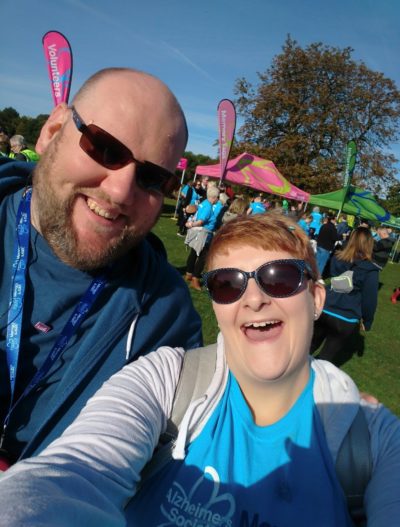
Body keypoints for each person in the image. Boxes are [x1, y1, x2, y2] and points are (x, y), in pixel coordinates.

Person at [0, 212, 398, 526]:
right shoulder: (167, 380)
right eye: (228, 284)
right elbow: (74, 473)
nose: (254, 299)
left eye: (280, 278)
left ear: (315, 298)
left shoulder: (373, 440)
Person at [0, 67, 203, 467]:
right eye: (107, 149)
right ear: (53, 130)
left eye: (150, 178)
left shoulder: (166, 318)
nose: (120, 190)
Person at [311, 227, 380, 365]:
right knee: (325, 359)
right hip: (345, 316)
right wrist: (367, 321)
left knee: (307, 349)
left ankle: (291, 379)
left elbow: (329, 275)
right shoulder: (370, 269)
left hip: (325, 307)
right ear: (369, 243)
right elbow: (370, 298)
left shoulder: (338, 258)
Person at [184, 185, 220, 290]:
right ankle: (195, 279)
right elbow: (200, 221)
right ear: (213, 197)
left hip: (200, 233)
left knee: (194, 252)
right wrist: (190, 224)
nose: (217, 199)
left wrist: (190, 223)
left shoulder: (203, 203)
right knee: (203, 257)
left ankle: (189, 274)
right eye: (217, 197)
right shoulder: (208, 207)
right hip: (203, 235)